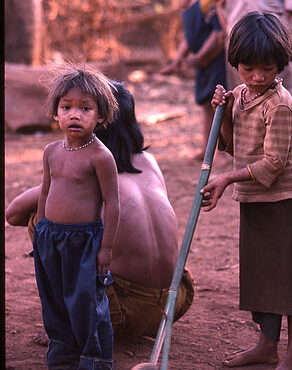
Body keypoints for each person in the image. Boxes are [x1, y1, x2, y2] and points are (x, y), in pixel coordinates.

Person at [6, 81, 195, 347]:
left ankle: (68, 324)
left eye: (85, 108)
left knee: (41, 220)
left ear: (99, 119)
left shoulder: (88, 171)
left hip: (119, 316)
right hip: (174, 303)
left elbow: (13, 214)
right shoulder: (148, 162)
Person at [201, 12, 292, 370]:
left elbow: (274, 162)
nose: (258, 77)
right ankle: (267, 346)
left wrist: (228, 179)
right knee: (263, 277)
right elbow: (233, 147)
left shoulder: (278, 105)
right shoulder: (243, 97)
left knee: (290, 282)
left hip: (282, 203)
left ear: (281, 64)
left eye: (266, 69)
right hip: (256, 200)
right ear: (235, 65)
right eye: (248, 69)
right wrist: (223, 114)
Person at [32, 62, 120, 370]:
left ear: (100, 115)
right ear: (56, 112)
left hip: (85, 241)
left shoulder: (101, 157)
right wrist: (39, 230)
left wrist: (106, 249)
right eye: (67, 107)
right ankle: (64, 362)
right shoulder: (52, 151)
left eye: (85, 109)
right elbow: (44, 191)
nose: (74, 115)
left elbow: (112, 205)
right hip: (50, 238)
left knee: (87, 307)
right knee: (53, 300)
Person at [160, 0, 227, 159]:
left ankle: (226, 150)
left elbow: (217, 34)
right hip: (202, 65)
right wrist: (177, 60)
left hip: (214, 61)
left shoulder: (207, 0)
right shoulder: (187, 1)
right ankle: (207, 150)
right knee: (206, 105)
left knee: (220, 106)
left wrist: (200, 56)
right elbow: (189, 37)